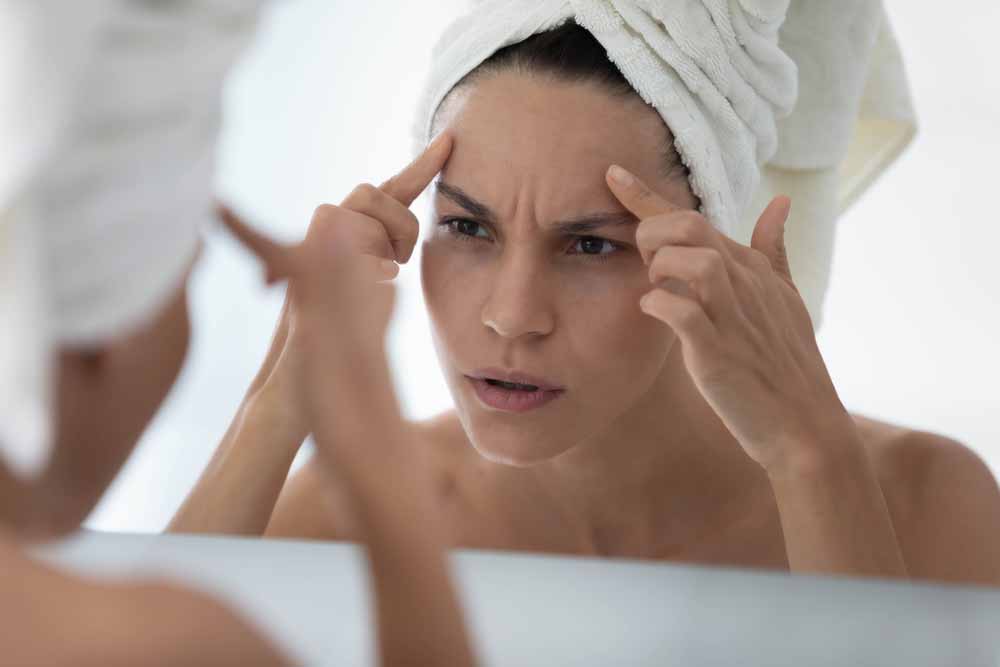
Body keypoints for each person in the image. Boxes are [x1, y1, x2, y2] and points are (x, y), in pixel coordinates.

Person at [171, 4, 1000, 586]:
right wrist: (275, 408)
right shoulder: (345, 517)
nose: (511, 316)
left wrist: (811, 459)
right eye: (468, 228)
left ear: (708, 247)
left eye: (591, 244)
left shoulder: (924, 506)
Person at [0, 2, 476, 664]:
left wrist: (286, 389)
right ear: (102, 329)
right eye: (188, 270)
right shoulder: (162, 641)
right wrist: (373, 442)